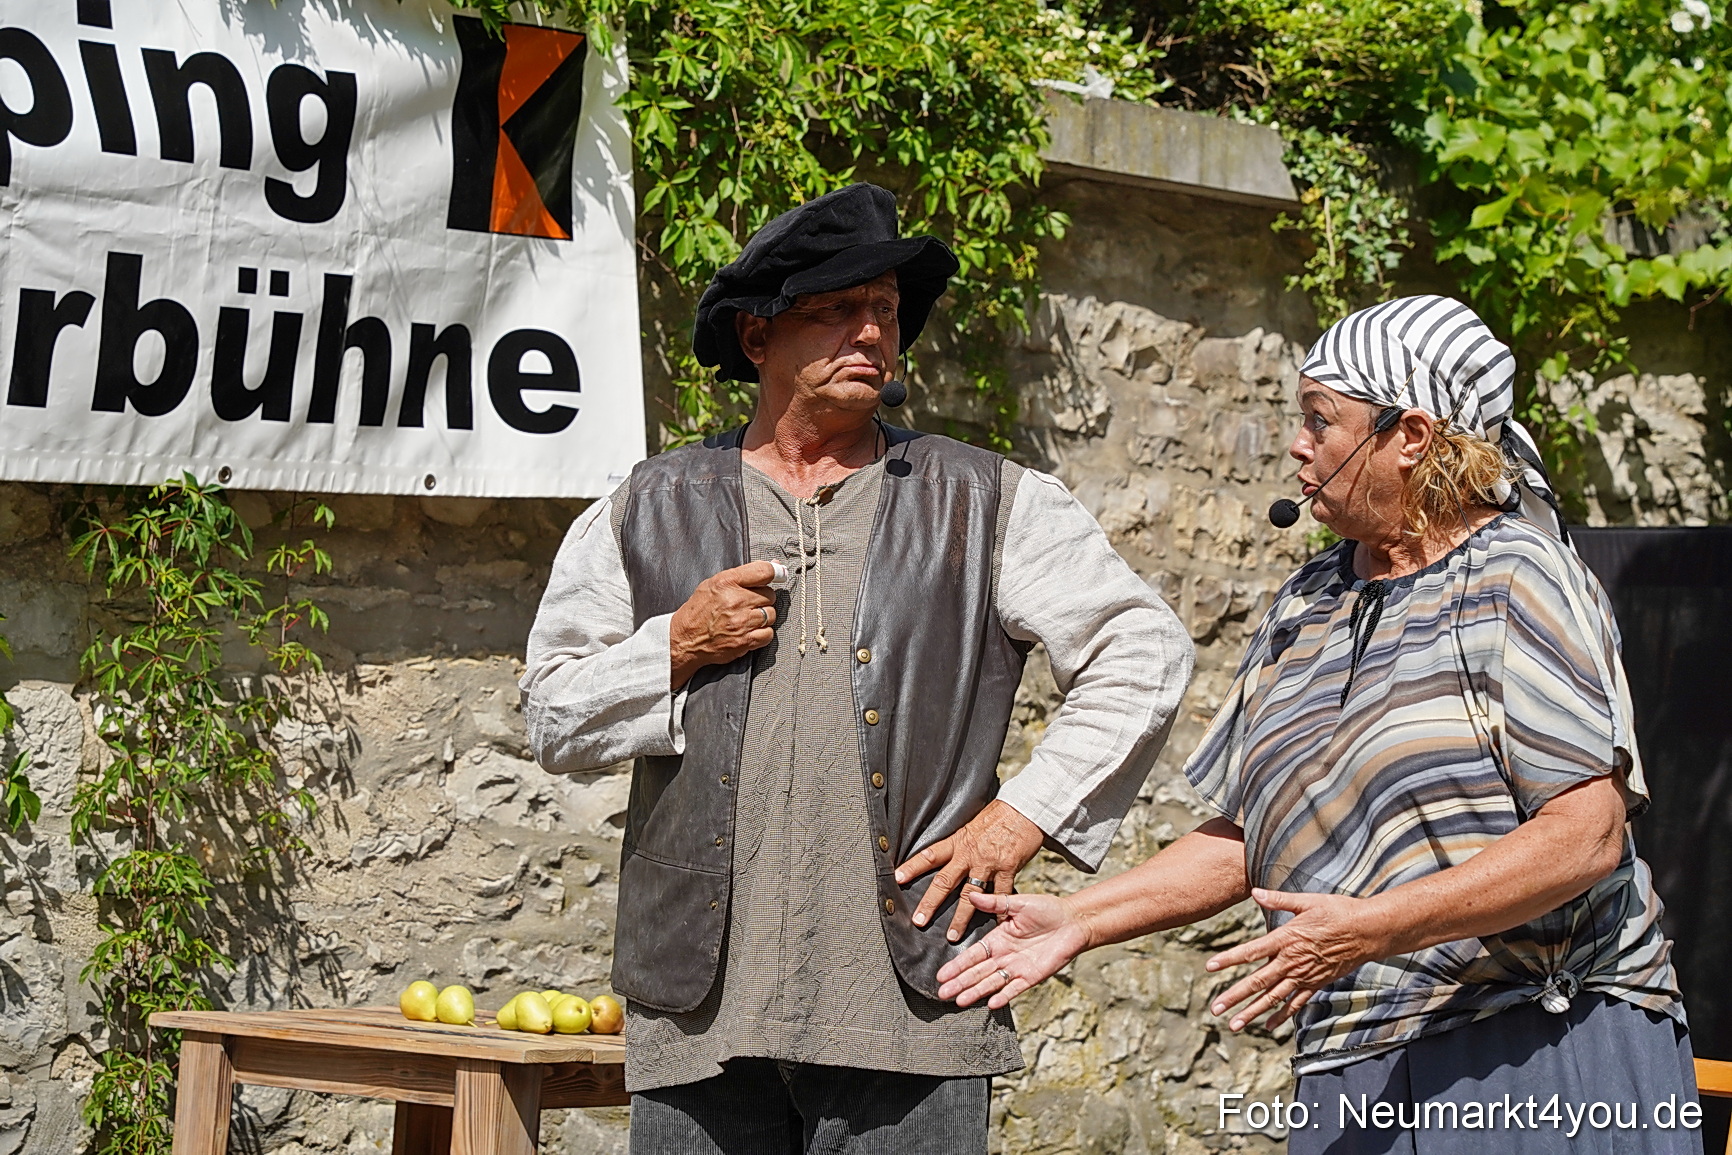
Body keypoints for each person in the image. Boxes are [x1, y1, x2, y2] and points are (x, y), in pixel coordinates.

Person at [519, 182, 1194, 1154]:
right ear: (758, 336)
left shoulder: (987, 500)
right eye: (837, 309)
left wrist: (1024, 814)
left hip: (913, 1004)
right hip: (700, 1013)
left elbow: (1145, 650)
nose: (873, 332)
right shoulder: (648, 504)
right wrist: (675, 646)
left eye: (885, 309)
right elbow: (550, 714)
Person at [937, 296, 1700, 1154]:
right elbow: (1250, 838)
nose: (1298, 445)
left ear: (1411, 436)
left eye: (1320, 420)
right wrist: (1082, 919)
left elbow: (1584, 836)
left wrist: (1374, 925)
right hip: (1354, 1060)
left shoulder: (1521, 576)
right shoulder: (1307, 602)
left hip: (1534, 1046)